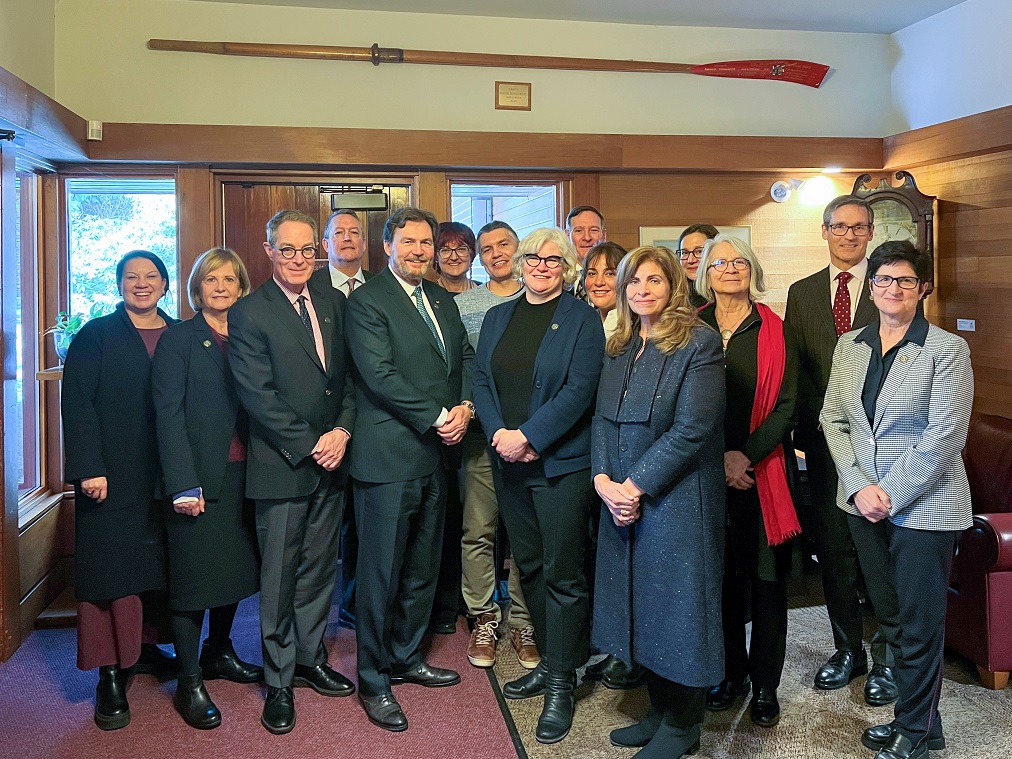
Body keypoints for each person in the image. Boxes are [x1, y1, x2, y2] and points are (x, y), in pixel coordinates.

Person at [821, 241, 972, 759]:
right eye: (883, 280)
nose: (892, 289)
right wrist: (861, 486)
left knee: (919, 623)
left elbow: (943, 435)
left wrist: (892, 493)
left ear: (922, 288)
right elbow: (833, 420)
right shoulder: (851, 345)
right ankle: (921, 723)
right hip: (861, 503)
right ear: (870, 286)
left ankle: (915, 731)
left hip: (925, 508)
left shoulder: (947, 350)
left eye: (905, 281)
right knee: (890, 618)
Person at [472, 228, 604, 744]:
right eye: (534, 257)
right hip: (510, 464)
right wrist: (501, 436)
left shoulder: (582, 318)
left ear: (567, 266)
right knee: (528, 566)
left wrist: (530, 435)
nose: (541, 265)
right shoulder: (498, 315)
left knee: (563, 573)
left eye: (554, 259)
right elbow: (481, 380)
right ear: (520, 263)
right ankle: (549, 663)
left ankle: (563, 681)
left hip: (560, 465)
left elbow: (580, 390)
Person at [593, 245, 726, 758]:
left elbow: (693, 429)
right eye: (633, 282)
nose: (642, 290)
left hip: (677, 499)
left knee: (679, 610)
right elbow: (602, 420)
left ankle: (683, 723)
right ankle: (658, 707)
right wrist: (604, 480)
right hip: (621, 496)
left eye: (653, 280)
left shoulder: (699, 343)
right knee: (638, 604)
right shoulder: (622, 343)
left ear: (673, 285)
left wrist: (635, 486)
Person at [345, 206, 474, 732]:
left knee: (423, 565)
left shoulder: (441, 298)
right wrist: (440, 415)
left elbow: (464, 357)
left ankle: (405, 655)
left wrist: (465, 407)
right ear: (388, 246)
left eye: (427, 243)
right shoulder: (368, 301)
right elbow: (378, 373)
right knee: (380, 573)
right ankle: (373, 677)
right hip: (387, 458)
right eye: (411, 242)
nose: (420, 251)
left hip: (435, 456)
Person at [228, 209, 357, 735]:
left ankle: (309, 659)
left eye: (309, 250)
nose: (300, 259)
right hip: (283, 465)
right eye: (289, 250)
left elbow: (347, 382)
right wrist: (311, 445)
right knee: (278, 578)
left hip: (333, 461)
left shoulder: (333, 301)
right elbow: (257, 396)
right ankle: (279, 681)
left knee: (319, 569)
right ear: (269, 251)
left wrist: (342, 433)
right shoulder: (250, 312)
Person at [785, 195, 898, 705]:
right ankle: (847, 649)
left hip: (884, 453)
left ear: (870, 232)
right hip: (826, 449)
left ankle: (889, 660)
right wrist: (815, 436)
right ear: (824, 231)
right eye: (839, 227)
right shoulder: (802, 292)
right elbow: (798, 373)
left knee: (881, 557)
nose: (849, 235)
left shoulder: (890, 290)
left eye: (859, 227)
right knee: (834, 553)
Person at [61, 250, 178, 730]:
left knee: (158, 565)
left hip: (166, 476)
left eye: (151, 276)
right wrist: (88, 467)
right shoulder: (96, 336)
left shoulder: (180, 334)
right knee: (111, 572)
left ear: (166, 285)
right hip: (110, 476)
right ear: (119, 285)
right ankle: (110, 672)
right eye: (132, 277)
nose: (142, 284)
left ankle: (146, 648)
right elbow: (78, 406)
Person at [152, 248, 262, 729]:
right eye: (211, 279)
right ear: (197, 288)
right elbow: (168, 417)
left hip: (247, 475)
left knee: (234, 573)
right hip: (196, 481)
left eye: (230, 279)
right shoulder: (179, 340)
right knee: (193, 582)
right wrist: (182, 483)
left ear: (241, 287)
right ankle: (190, 679)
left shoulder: (251, 337)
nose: (221, 287)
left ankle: (220, 651)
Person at [697, 235, 801, 728]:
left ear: (752, 269)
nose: (731, 268)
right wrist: (718, 458)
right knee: (719, 581)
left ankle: (765, 685)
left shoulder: (778, 329)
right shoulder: (689, 327)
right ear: (706, 273)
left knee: (765, 584)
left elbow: (787, 406)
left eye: (740, 261)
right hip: (702, 474)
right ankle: (729, 674)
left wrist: (744, 456)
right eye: (720, 262)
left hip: (762, 474)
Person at [453, 221, 538, 671]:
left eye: (504, 244)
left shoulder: (542, 299)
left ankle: (524, 622)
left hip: (533, 439)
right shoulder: (464, 304)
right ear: (479, 258)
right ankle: (484, 616)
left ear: (519, 249)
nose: (496, 253)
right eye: (486, 249)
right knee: (478, 530)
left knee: (525, 533)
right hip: (480, 437)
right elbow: (468, 371)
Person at [311, 208, 376, 630]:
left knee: (365, 519)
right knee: (327, 522)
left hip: (374, 417)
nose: (348, 239)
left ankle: (357, 603)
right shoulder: (308, 286)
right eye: (340, 233)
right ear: (326, 243)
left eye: (355, 233)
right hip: (324, 421)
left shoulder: (380, 287)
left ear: (366, 243)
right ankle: (323, 609)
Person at [314, 208, 374, 297]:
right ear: (326, 245)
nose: (347, 238)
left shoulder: (380, 284)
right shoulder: (310, 285)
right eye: (338, 232)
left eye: (354, 232)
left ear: (364, 244)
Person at [581, 241, 626, 338]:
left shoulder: (638, 328)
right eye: (592, 273)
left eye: (609, 273)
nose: (599, 282)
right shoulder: (583, 323)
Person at [676, 224, 718, 309]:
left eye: (699, 251)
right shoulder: (673, 299)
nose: (690, 260)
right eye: (685, 253)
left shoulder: (728, 294)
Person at [433, 221, 480, 293]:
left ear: (471, 254)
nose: (454, 257)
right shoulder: (425, 295)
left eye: (461, 249)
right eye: (445, 250)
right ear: (436, 257)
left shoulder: (487, 293)